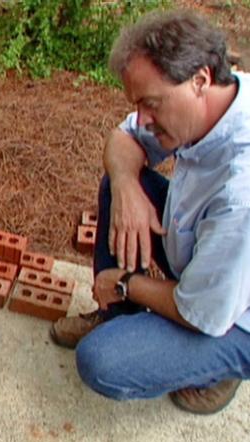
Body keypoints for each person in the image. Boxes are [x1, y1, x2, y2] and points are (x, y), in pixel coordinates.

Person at [50, 10, 250, 415]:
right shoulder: (210, 104)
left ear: (200, 79)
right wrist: (126, 186)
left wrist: (125, 282)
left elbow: (201, 313)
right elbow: (123, 139)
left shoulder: (241, 191)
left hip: (230, 315)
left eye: (151, 103)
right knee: (123, 181)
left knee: (103, 362)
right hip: (205, 255)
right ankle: (116, 315)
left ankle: (219, 368)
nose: (143, 118)